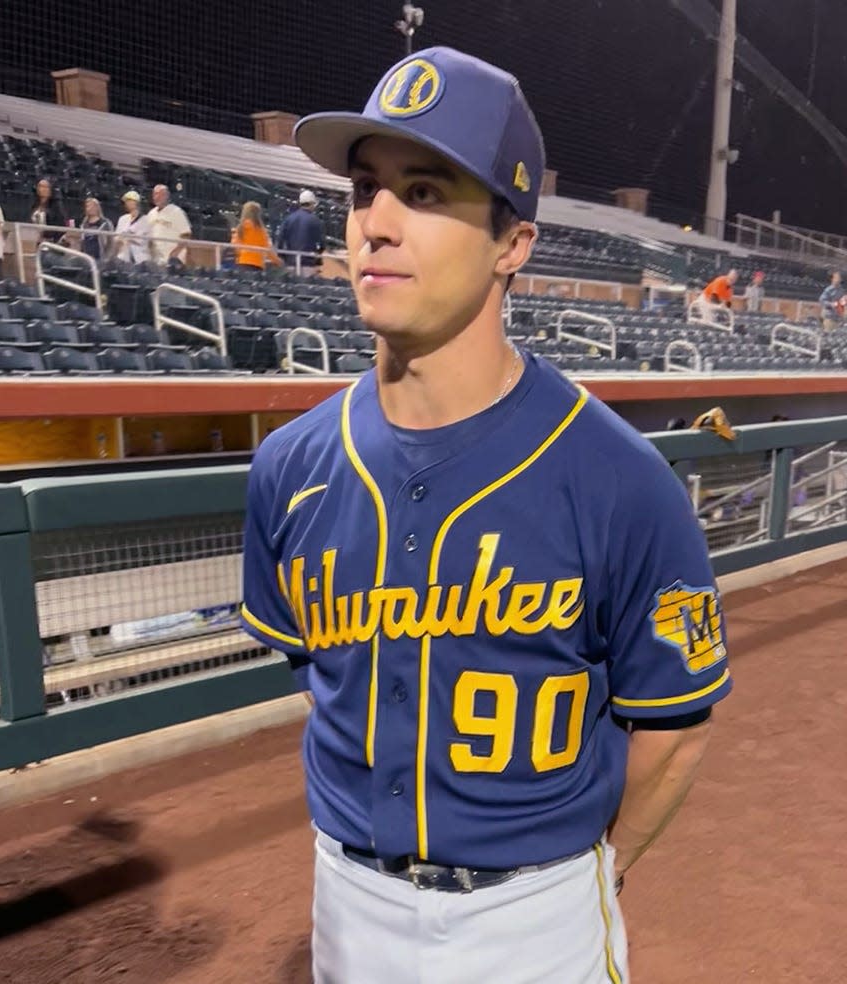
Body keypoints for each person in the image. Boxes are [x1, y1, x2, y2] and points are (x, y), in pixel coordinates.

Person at [239, 46, 731, 984]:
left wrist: (590, 878)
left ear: (514, 243)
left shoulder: (623, 482)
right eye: (364, 189)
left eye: (424, 193)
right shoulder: (289, 468)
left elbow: (676, 727)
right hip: (346, 896)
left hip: (535, 917)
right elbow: (321, 673)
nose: (375, 225)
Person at [276, 189, 325, 275]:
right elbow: (322, 244)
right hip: (308, 263)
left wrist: (284, 256)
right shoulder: (315, 221)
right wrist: (317, 256)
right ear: (312, 204)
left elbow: (280, 240)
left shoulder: (289, 219)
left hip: (291, 262)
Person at [147, 184, 192, 268]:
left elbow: (186, 234)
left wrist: (174, 254)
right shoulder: (151, 214)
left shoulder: (176, 211)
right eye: (155, 194)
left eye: (160, 194)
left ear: (167, 196)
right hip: (156, 260)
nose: (157, 197)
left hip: (174, 260)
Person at [231, 201, 281, 271]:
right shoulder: (261, 230)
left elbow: (235, 245)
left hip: (243, 262)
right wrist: (277, 261)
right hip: (257, 264)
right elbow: (267, 248)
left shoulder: (241, 227)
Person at [114, 190, 151, 264]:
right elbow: (117, 238)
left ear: (137, 202)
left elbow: (141, 240)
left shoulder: (146, 219)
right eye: (127, 201)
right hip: (123, 256)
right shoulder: (123, 219)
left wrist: (127, 237)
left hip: (140, 257)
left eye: (130, 200)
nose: (128, 203)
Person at [79, 197, 114, 263]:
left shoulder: (105, 223)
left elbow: (111, 242)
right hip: (86, 258)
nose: (91, 208)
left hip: (101, 258)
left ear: (97, 207)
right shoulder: (84, 224)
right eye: (88, 206)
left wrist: (107, 258)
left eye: (93, 206)